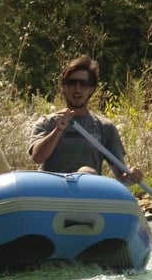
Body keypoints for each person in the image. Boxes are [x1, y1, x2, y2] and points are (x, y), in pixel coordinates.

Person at [28, 55, 143, 184]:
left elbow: (121, 175)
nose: (77, 89)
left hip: (88, 194)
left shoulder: (105, 127)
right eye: (71, 83)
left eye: (83, 84)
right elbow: (37, 157)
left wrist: (131, 175)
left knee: (87, 172)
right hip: (54, 193)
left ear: (91, 89)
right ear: (63, 88)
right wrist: (58, 129)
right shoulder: (46, 123)